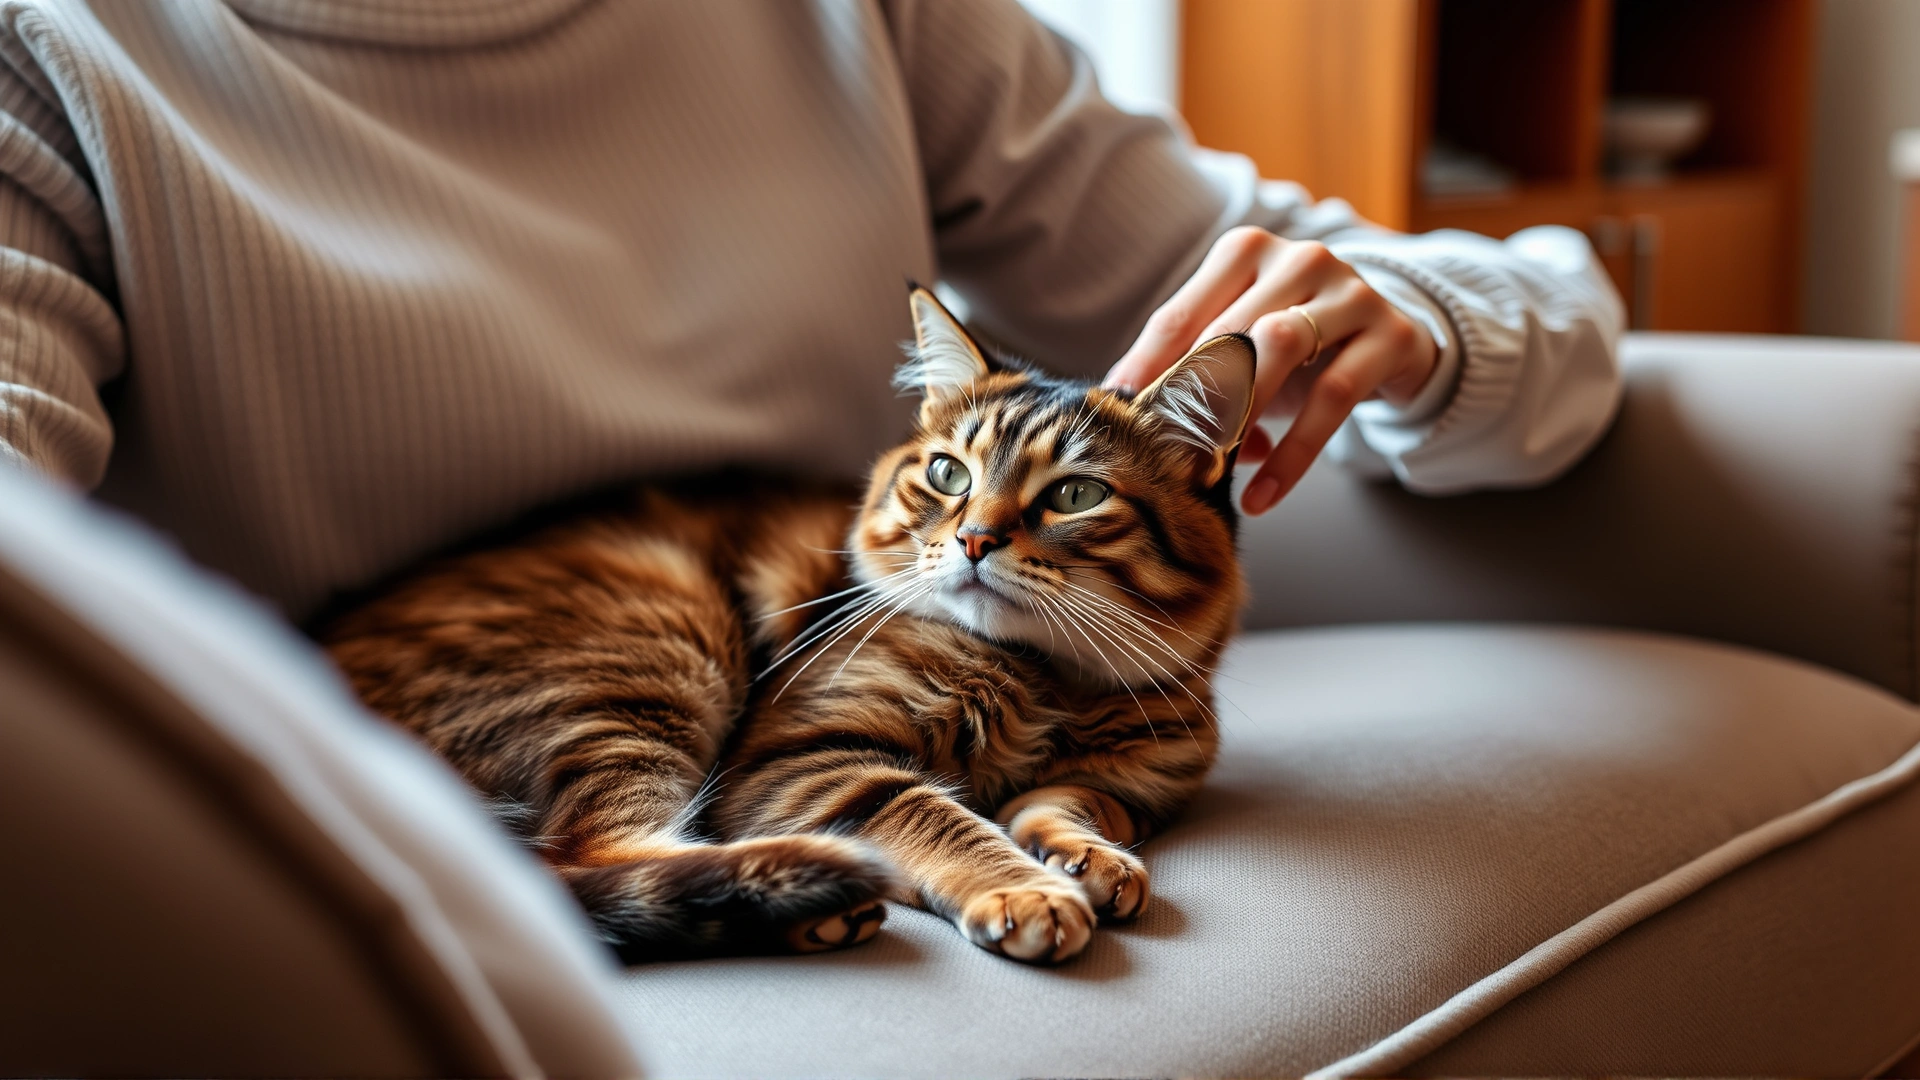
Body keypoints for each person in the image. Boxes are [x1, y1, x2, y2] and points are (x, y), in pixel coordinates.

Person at [0, 0, 1621, 620]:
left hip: (862, 746)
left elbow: (1539, 318)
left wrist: (1419, 330)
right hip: (410, 858)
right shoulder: (50, 58)